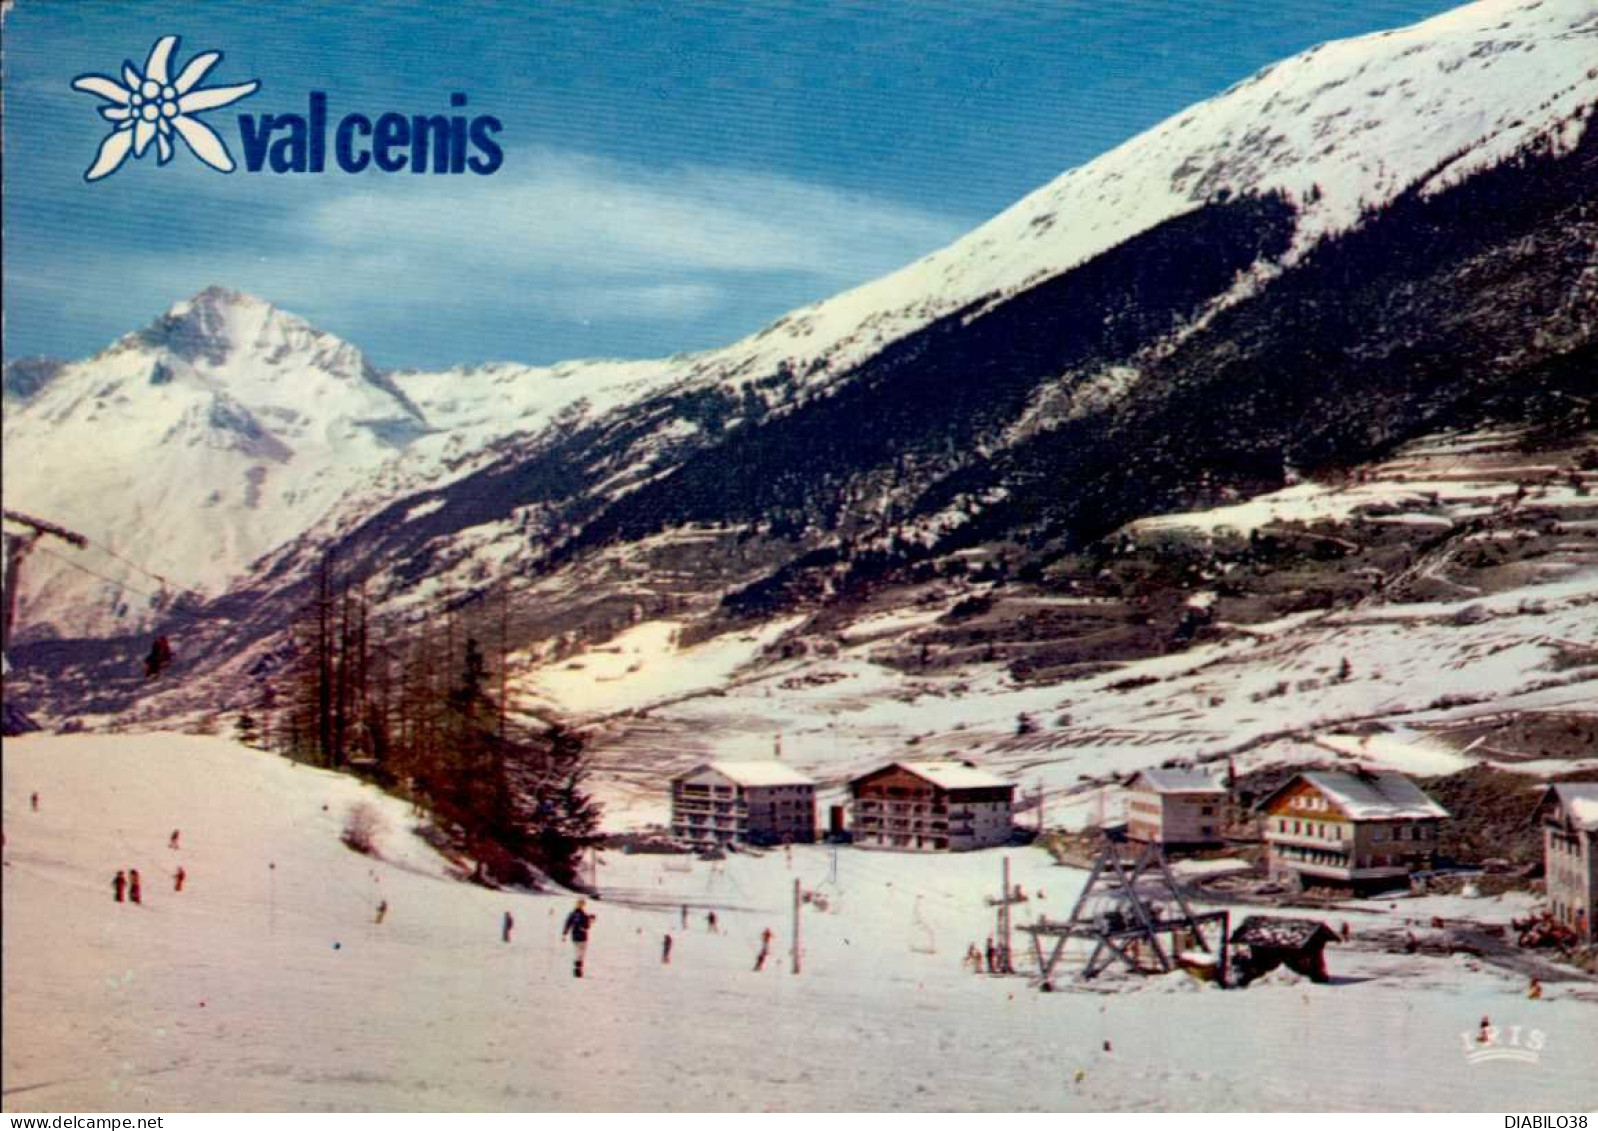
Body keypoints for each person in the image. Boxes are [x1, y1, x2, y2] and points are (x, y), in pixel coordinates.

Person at [562, 899, 595, 978]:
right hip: (580, 936)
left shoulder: (577, 914)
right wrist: (565, 933)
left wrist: (565, 933)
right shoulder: (579, 915)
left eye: (582, 904)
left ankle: (578, 969)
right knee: (580, 953)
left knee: (579, 953)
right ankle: (577, 970)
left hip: (578, 936)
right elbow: (586, 926)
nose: (581, 905)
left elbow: (586, 926)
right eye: (581, 904)